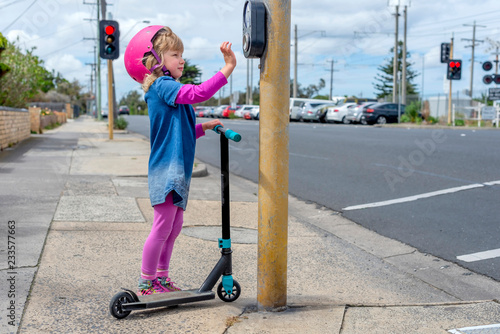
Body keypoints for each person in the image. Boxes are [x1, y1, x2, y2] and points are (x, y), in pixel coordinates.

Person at [124, 26, 236, 295]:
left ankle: (161, 278)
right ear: (156, 60)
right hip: (167, 169)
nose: (182, 59)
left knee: (173, 229)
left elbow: (180, 132)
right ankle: (146, 281)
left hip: (178, 169)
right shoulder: (163, 85)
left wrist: (204, 127)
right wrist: (228, 67)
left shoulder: (168, 89)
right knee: (162, 227)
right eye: (175, 54)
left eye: (182, 54)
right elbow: (198, 93)